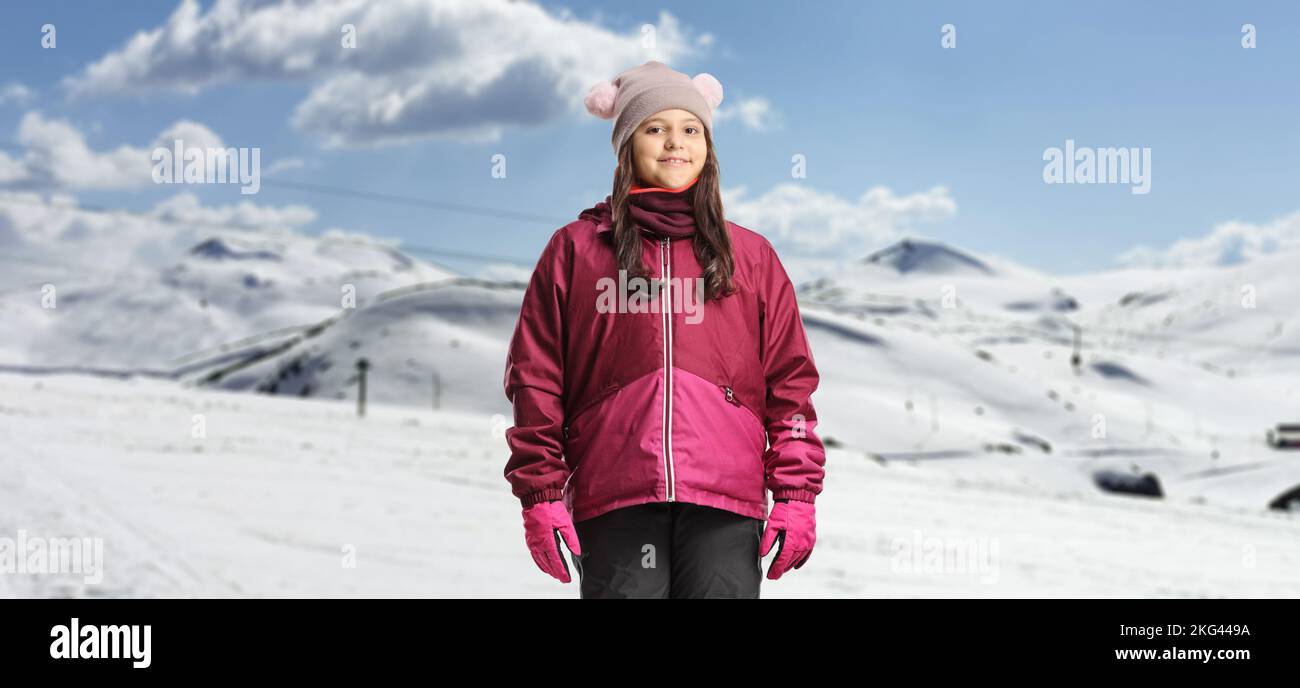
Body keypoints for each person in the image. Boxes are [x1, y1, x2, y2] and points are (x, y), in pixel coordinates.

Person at [503, 60, 825, 598]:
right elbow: (536, 378)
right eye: (656, 128)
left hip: (726, 501)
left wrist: (795, 491)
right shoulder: (575, 250)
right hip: (615, 494)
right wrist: (540, 492)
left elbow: (790, 384)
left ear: (708, 146)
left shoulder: (751, 256)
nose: (676, 143)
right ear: (627, 144)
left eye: (690, 129)